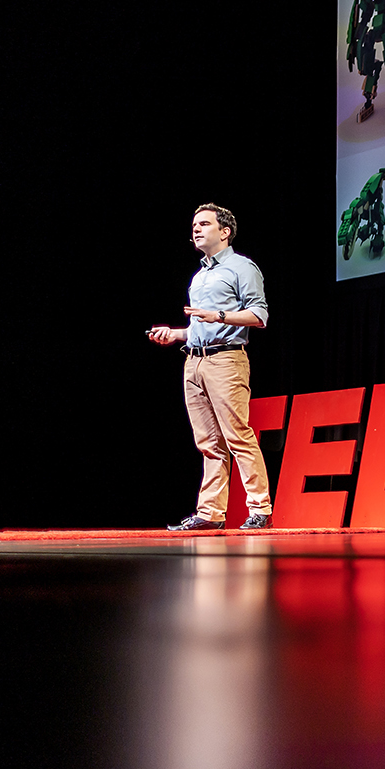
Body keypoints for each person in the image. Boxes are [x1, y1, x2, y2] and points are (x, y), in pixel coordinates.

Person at [146, 203, 273, 531]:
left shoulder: (241, 268)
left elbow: (259, 316)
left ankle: (260, 508)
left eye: (204, 224)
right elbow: (200, 326)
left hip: (226, 360)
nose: (196, 229)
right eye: (194, 225)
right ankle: (210, 513)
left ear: (225, 232)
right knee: (208, 442)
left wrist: (217, 315)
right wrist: (177, 334)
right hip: (194, 360)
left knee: (237, 436)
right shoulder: (200, 276)